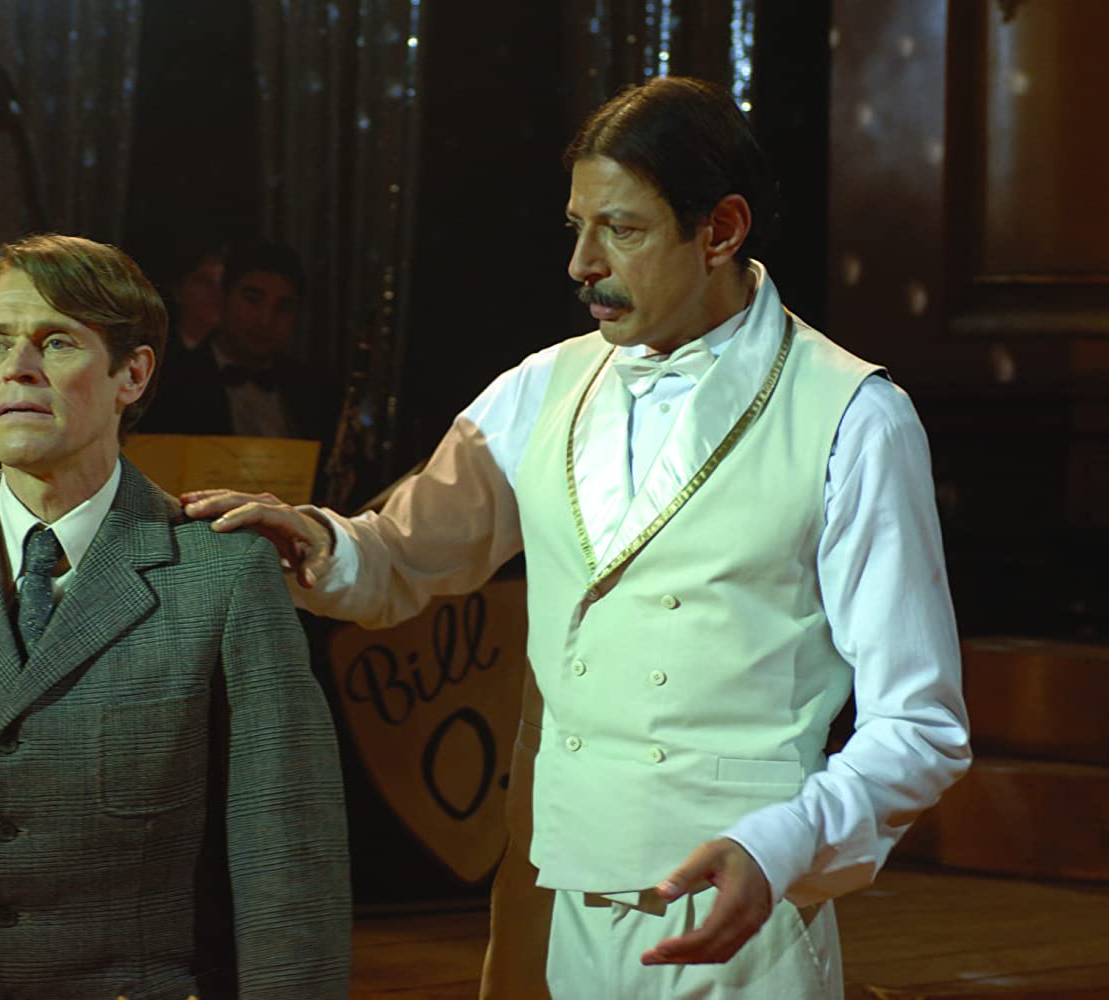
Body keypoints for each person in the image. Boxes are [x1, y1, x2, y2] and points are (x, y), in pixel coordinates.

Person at [183, 77, 972, 999]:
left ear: (720, 230)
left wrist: (782, 844)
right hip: (558, 893)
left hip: (740, 914)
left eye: (621, 230)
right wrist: (318, 543)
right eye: (576, 227)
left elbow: (920, 727)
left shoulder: (851, 416)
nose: (580, 263)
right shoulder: (538, 387)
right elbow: (400, 551)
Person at [0, 233, 351, 999]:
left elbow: (288, 872)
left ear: (131, 374)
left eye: (55, 342)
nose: (17, 367)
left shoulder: (223, 578)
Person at [139, 239, 336, 446]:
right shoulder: (168, 385)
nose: (265, 320)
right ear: (223, 298)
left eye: (283, 308)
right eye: (252, 300)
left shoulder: (316, 392)